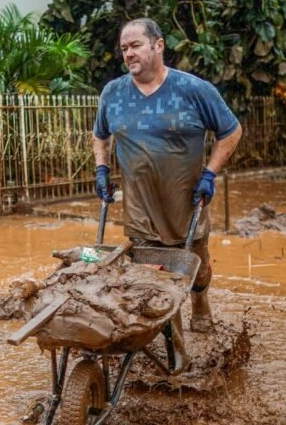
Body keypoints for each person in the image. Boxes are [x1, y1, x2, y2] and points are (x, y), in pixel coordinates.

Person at [92, 18, 243, 333]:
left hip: (186, 201)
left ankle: (200, 302)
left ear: (158, 45)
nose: (129, 53)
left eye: (136, 45)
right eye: (124, 48)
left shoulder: (193, 90)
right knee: (150, 274)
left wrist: (209, 174)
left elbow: (231, 131)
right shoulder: (113, 93)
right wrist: (101, 168)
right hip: (140, 207)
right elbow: (100, 135)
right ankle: (169, 334)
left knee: (197, 266)